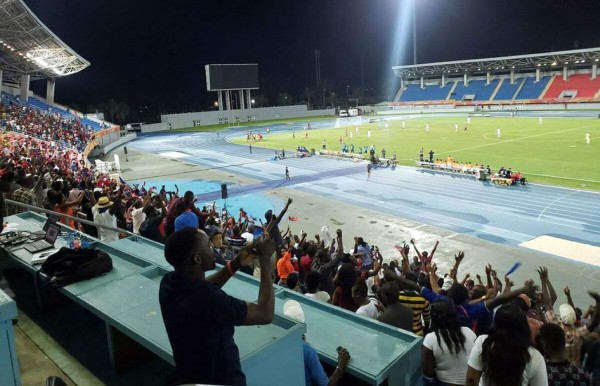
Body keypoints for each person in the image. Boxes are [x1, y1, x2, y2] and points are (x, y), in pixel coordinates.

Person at [159, 227, 276, 385]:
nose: (213, 248)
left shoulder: (168, 284)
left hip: (190, 376)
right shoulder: (211, 300)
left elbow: (202, 287)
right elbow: (265, 313)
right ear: (197, 259)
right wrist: (265, 260)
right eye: (208, 246)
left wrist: (234, 264)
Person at [466, 303, 547, 386]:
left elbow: (471, 380)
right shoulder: (534, 356)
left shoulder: (483, 343)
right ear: (524, 328)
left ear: (495, 324)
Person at [423, 299, 477, 386]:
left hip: (445, 383)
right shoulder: (469, 331)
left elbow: (428, 375)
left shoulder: (430, 338)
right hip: (472, 381)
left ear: (433, 316)